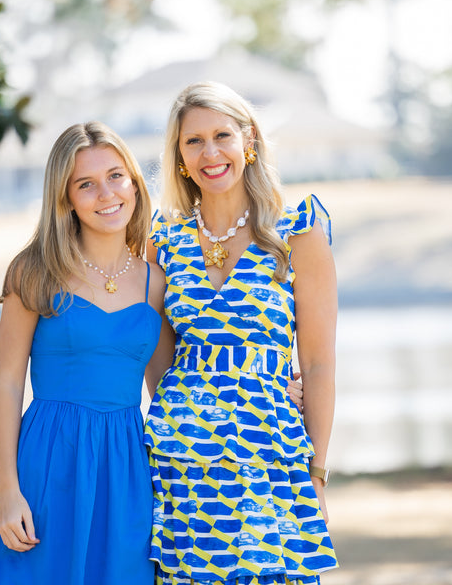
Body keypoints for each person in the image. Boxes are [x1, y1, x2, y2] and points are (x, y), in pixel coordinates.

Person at [146, 81, 339, 584]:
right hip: (181, 462)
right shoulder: (162, 242)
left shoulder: (298, 232)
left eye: (222, 135)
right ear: (179, 156)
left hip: (269, 453)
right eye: (193, 142)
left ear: (248, 140)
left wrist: (316, 472)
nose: (210, 152)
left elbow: (318, 364)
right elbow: (159, 363)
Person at [0, 121, 174, 584]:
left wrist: (269, 385)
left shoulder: (156, 281)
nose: (106, 193)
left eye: (115, 176)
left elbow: (171, 387)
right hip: (48, 462)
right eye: (86, 184)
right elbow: (7, 383)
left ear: (134, 182)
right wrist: (9, 490)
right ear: (65, 197)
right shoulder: (33, 272)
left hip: (126, 468)